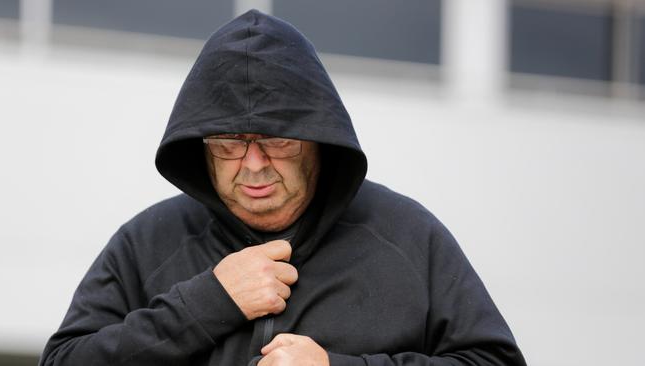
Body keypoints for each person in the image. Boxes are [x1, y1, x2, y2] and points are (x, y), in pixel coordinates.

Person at [40, 9, 526, 366]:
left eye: (276, 141)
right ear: (200, 146)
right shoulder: (147, 242)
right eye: (229, 142)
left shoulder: (406, 236)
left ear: (318, 141)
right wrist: (208, 303)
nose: (253, 165)